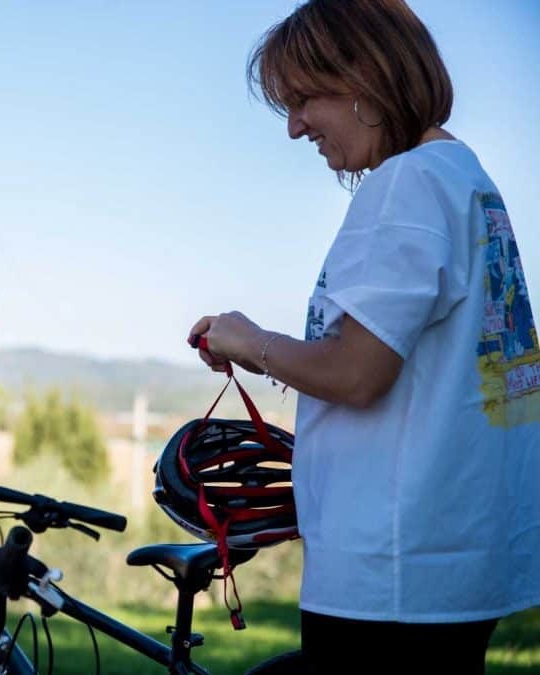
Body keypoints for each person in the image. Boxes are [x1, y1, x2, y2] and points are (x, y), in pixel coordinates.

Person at [188, 1, 540, 673]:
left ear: (362, 77)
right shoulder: (465, 180)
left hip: (391, 579)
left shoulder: (405, 185)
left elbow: (357, 373)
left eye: (301, 101)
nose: (294, 128)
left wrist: (249, 340)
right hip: (448, 566)